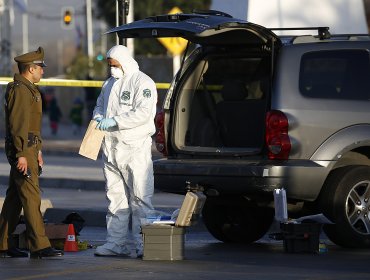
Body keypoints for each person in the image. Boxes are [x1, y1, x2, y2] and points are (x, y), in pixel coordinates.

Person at [92, 45, 157, 258]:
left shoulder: (143, 83)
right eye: (110, 66)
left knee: (140, 198)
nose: (112, 69)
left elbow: (143, 113)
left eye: (116, 65)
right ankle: (115, 243)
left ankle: (143, 244)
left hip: (134, 149)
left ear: (125, 62)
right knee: (115, 198)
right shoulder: (108, 84)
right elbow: (99, 106)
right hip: (111, 148)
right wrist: (99, 117)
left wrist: (115, 121)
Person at [0, 47, 63, 259]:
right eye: (40, 68)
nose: (43, 72)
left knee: (15, 198)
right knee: (31, 196)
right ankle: (39, 245)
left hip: (29, 149)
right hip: (22, 149)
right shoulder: (20, 90)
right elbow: (18, 125)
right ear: (30, 69)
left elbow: (33, 127)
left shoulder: (29, 89)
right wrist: (21, 154)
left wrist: (37, 151)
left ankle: (3, 243)